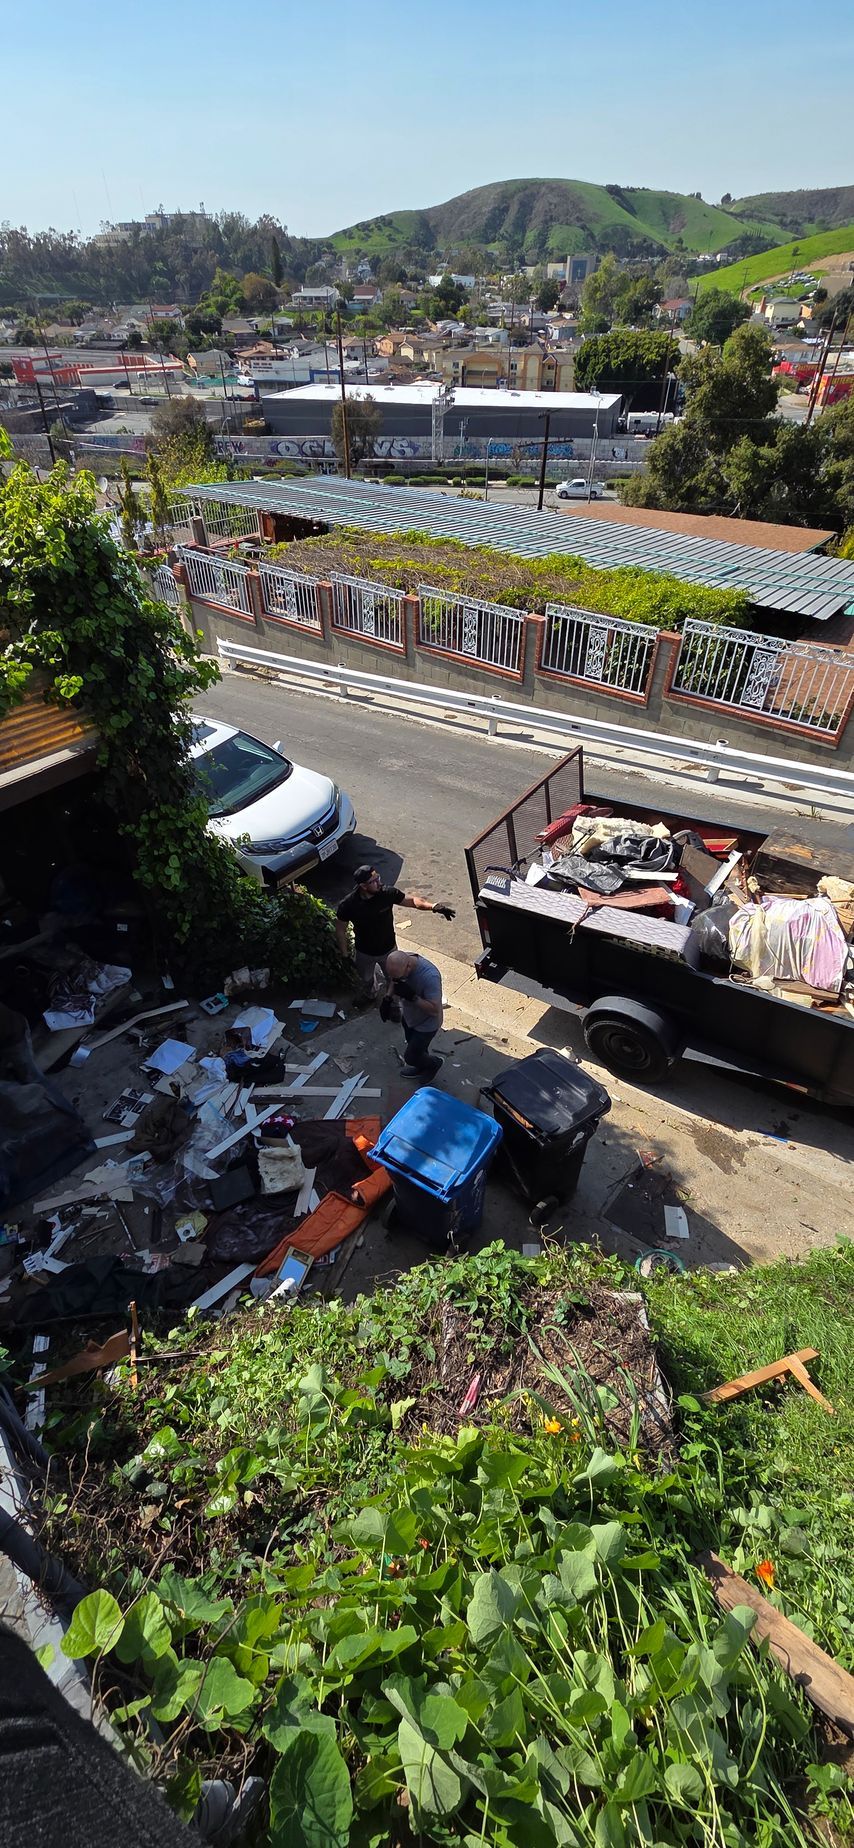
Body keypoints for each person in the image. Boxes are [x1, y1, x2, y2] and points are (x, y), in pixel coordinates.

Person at [335, 866, 454, 998]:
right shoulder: (348, 905)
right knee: (366, 979)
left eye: (378, 877)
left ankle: (391, 1000)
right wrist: (345, 955)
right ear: (363, 886)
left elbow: (412, 901)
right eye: (374, 881)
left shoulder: (387, 894)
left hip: (388, 950)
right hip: (364, 952)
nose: (379, 882)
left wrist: (433, 906)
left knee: (393, 979)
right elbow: (340, 929)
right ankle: (370, 995)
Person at [384, 948, 444, 1079]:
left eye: (400, 977)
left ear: (408, 967)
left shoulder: (430, 977)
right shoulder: (400, 962)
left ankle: (434, 1064)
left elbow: (434, 1010)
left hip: (426, 1024)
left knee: (410, 1057)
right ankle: (422, 1066)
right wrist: (387, 998)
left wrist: (413, 997)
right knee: (418, 1049)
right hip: (409, 1017)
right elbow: (394, 981)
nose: (397, 980)